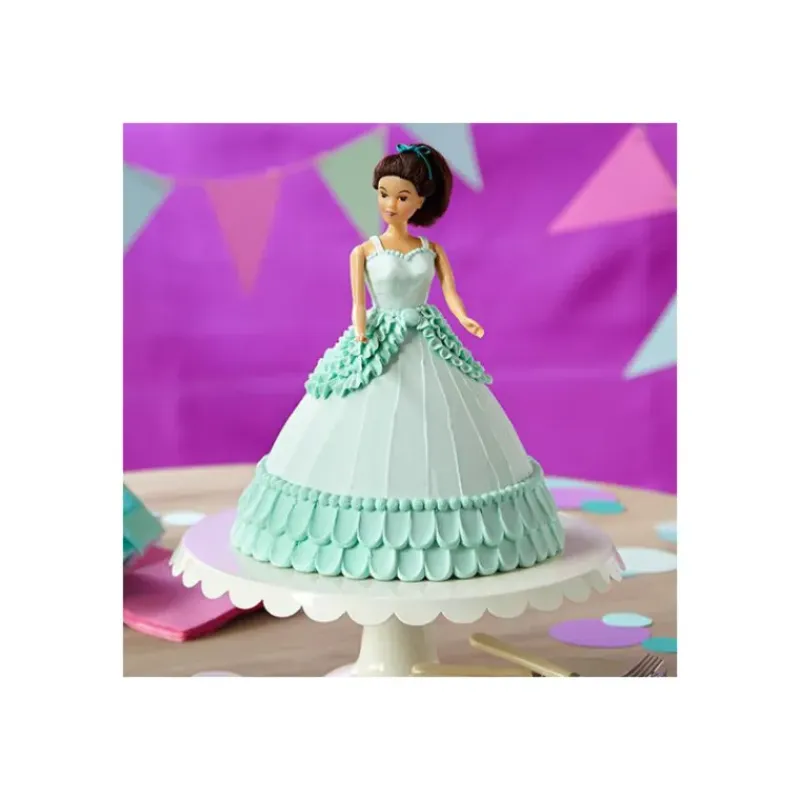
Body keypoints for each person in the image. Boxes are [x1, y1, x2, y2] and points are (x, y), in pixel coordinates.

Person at [231, 143, 564, 581]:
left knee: (445, 425)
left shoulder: (432, 250)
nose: (390, 204)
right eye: (383, 193)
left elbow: (450, 295)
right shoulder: (365, 251)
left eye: (402, 196)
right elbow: (358, 302)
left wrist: (464, 319)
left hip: (426, 336)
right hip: (377, 339)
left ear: (421, 201)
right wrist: (360, 332)